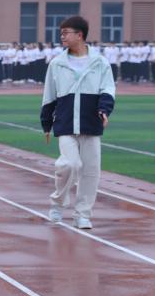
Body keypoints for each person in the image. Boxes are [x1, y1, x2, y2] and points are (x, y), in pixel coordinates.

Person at [40, 16, 115, 230]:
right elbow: (49, 95)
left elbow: (108, 89)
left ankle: (83, 214)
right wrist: (46, 124)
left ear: (79, 35)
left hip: (91, 124)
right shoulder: (57, 63)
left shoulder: (100, 62)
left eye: (66, 33)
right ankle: (58, 202)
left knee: (90, 172)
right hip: (65, 123)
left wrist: (104, 110)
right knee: (69, 164)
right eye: (61, 33)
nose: (62, 37)